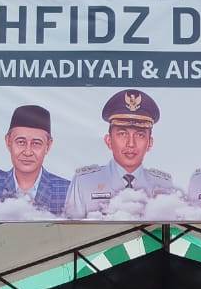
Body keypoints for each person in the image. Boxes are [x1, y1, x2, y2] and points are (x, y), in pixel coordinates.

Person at [64, 89, 175, 217]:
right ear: (109, 141)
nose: (131, 144)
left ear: (149, 143)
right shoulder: (84, 183)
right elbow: (71, 228)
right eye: (122, 134)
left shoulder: (163, 185)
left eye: (139, 135)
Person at [0, 105, 71, 213]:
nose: (27, 152)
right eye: (21, 142)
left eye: (36, 143)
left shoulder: (69, 192)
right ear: (8, 142)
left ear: (48, 145)